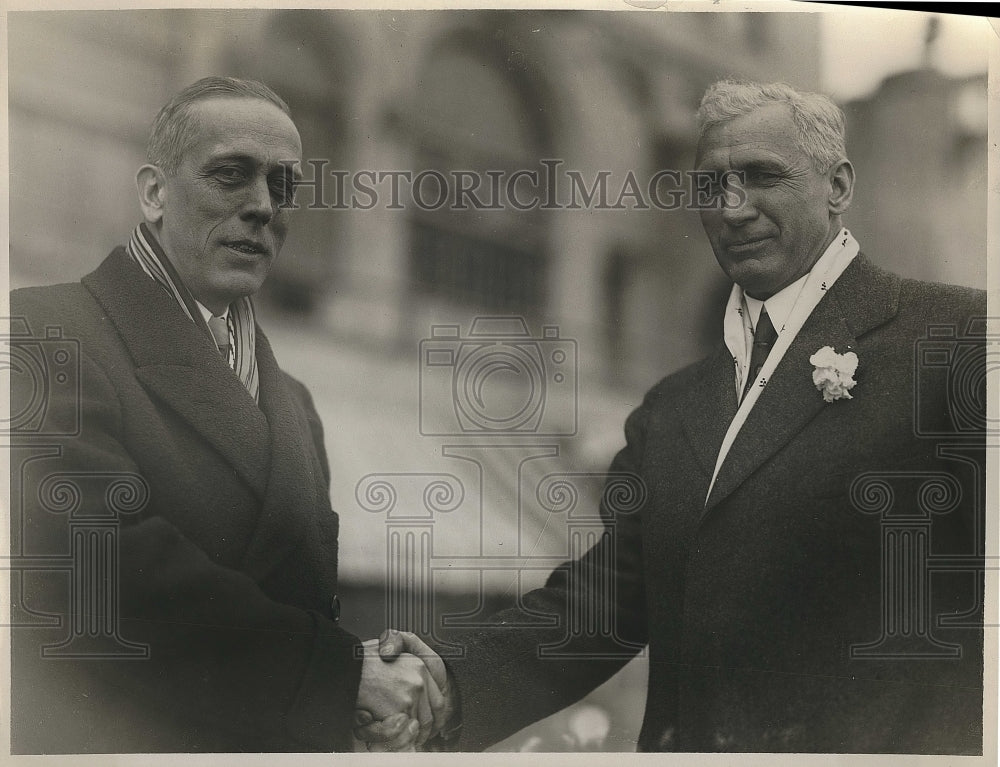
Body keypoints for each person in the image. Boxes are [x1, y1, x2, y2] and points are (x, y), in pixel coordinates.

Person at [359, 79, 986, 753]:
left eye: (761, 177)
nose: (732, 208)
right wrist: (451, 679)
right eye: (710, 185)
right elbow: (606, 604)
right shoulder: (672, 407)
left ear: (837, 186)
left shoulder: (956, 339)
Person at [9, 76, 448, 753]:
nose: (262, 207)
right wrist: (338, 672)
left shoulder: (294, 404)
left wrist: (358, 687)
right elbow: (94, 570)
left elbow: (291, 605)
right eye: (231, 176)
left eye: (283, 186)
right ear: (154, 192)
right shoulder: (42, 333)